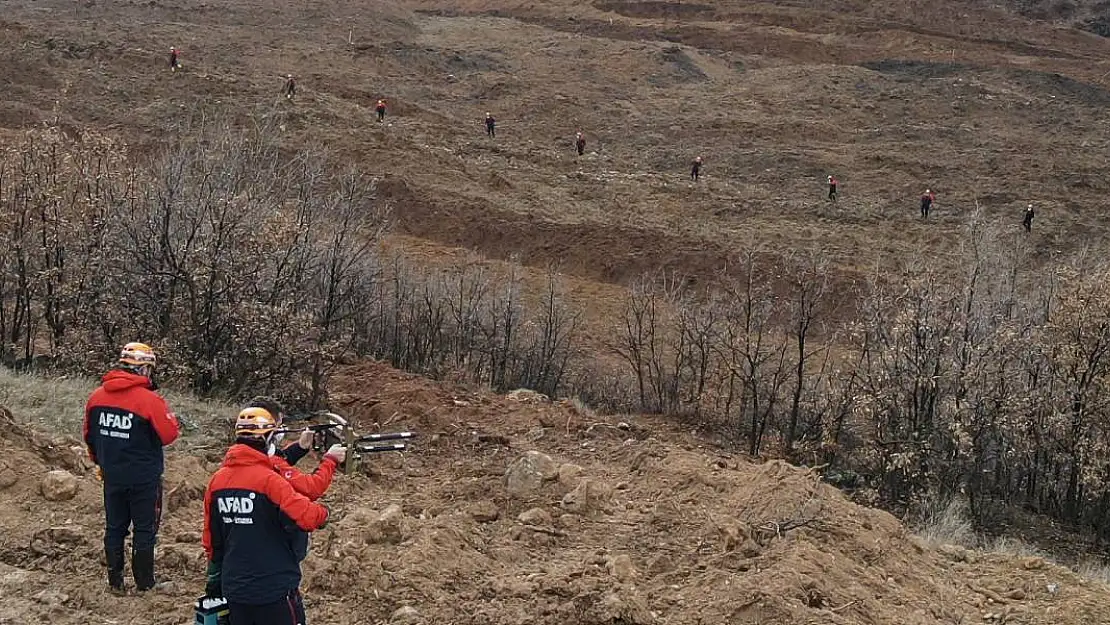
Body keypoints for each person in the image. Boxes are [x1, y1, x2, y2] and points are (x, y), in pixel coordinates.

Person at [203, 407, 337, 625]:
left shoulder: (217, 481)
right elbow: (307, 516)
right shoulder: (269, 481)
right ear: (267, 437)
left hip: (235, 589)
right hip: (274, 589)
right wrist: (325, 513)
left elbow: (211, 540)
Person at [84, 342, 180, 593]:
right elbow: (170, 434)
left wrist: (100, 462)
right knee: (145, 529)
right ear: (145, 369)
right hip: (144, 478)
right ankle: (145, 584)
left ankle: (115, 583)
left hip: (112, 474)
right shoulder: (149, 400)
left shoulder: (96, 397)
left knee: (114, 528)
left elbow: (89, 435)